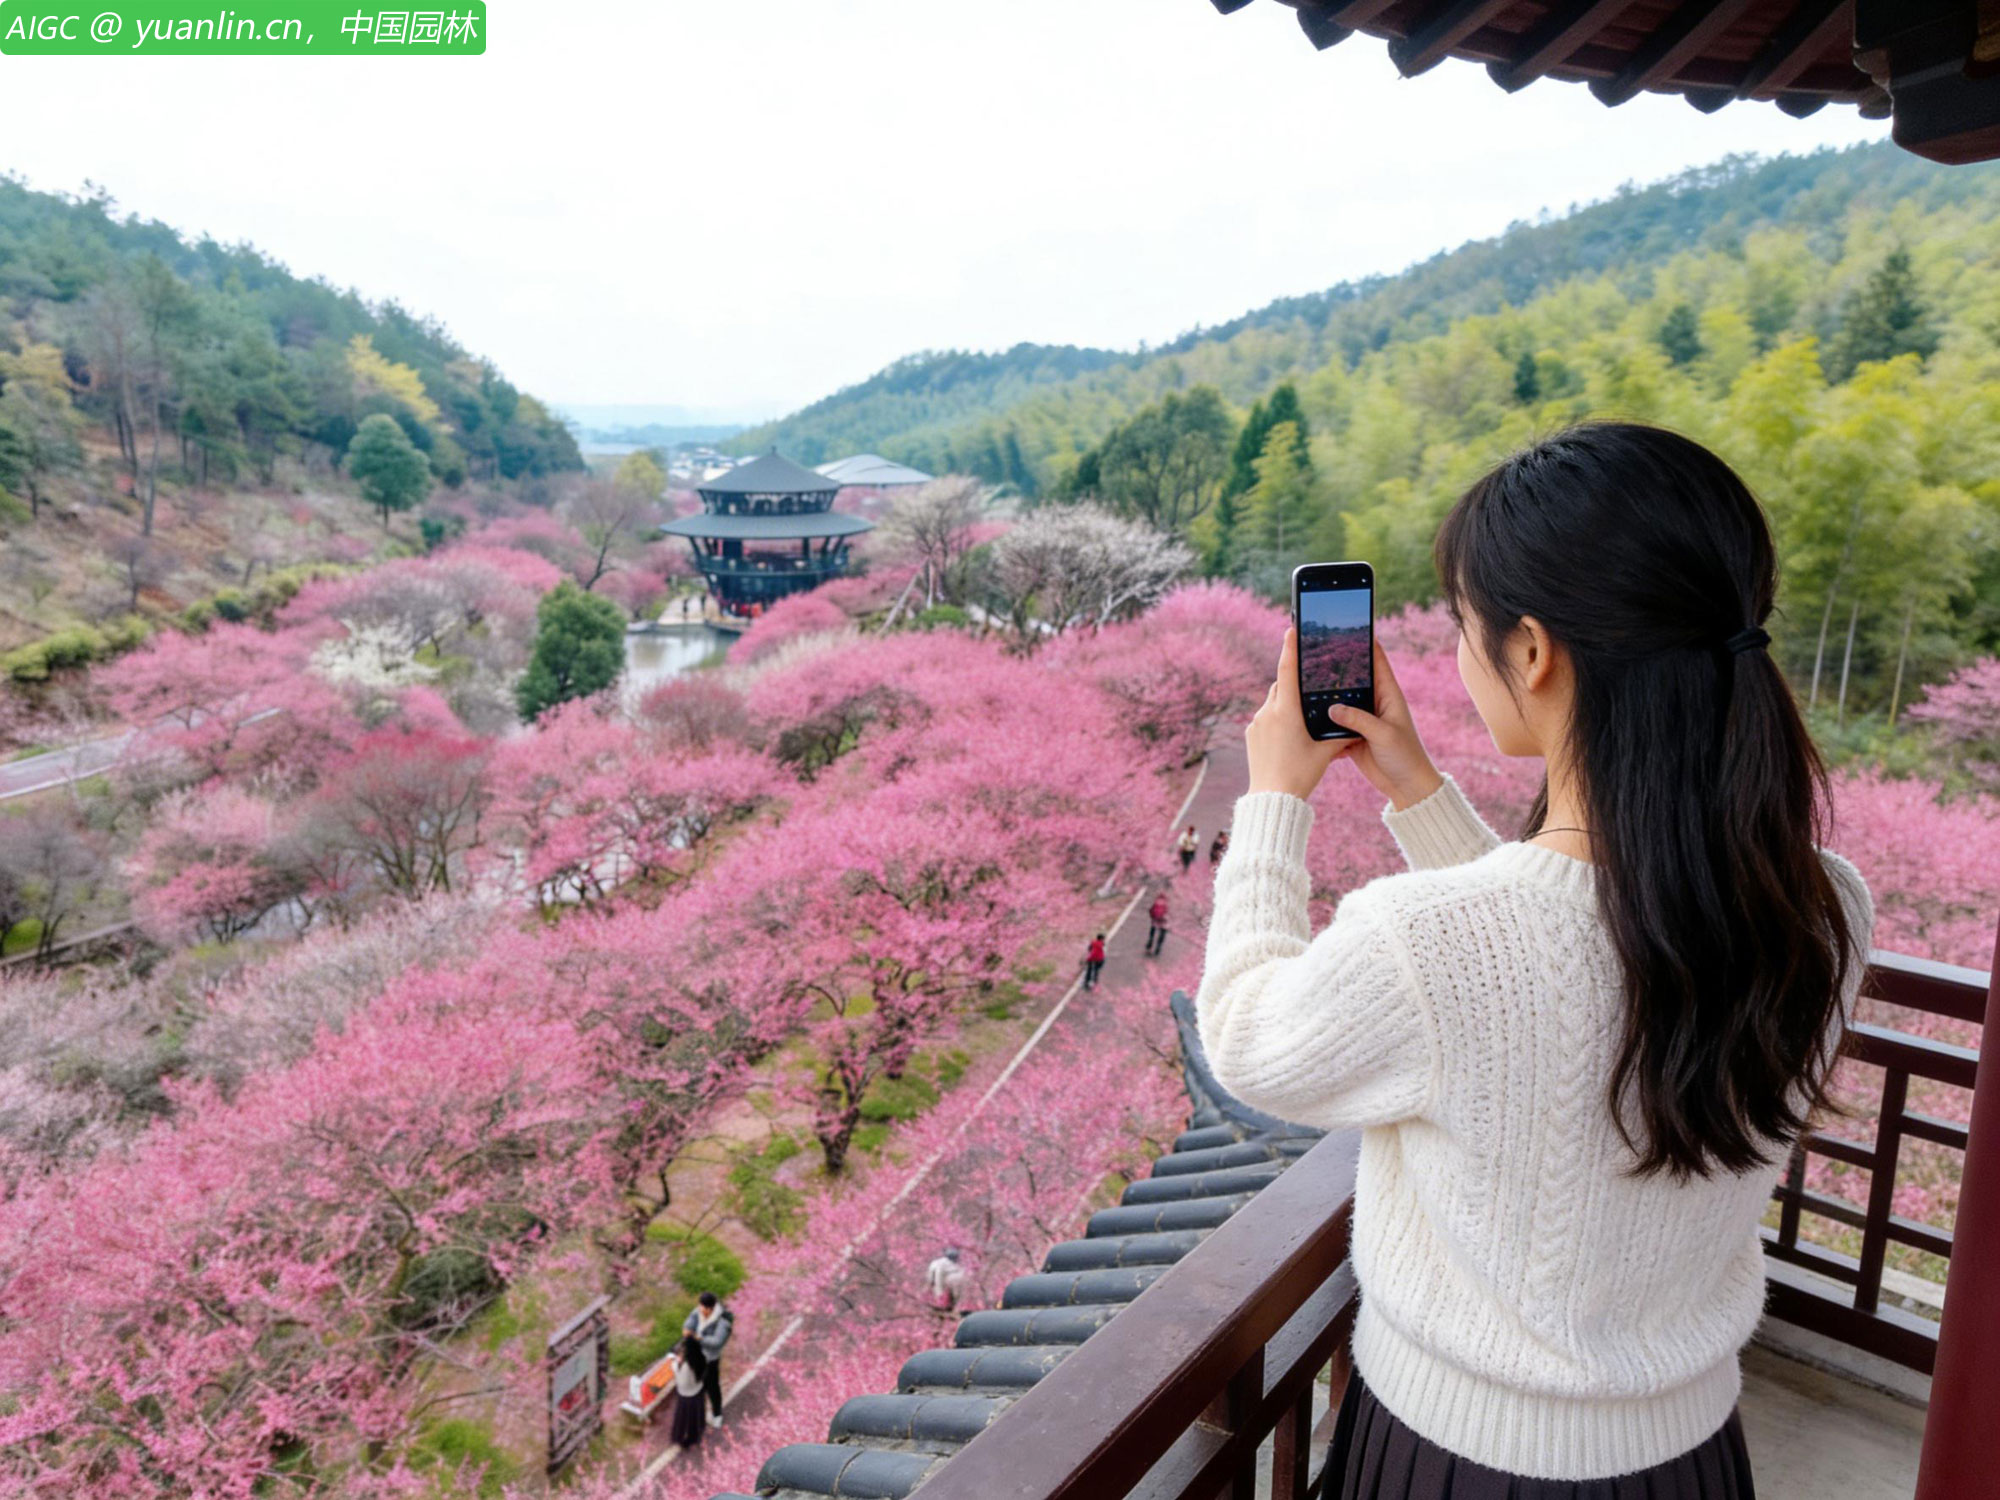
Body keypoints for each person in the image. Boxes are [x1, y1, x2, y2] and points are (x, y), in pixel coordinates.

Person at [1197, 423, 1871, 1500]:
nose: (1460, 655)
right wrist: (1414, 788)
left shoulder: (1423, 939)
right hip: (1686, 1456)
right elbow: (1569, 964)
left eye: (1465, 626)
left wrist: (1273, 798)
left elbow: (1245, 1039)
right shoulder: (1824, 905)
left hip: (1461, 1459)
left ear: (1530, 652)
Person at [682, 1292, 733, 1428]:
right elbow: (690, 1321)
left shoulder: (722, 1322)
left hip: (710, 1360)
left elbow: (717, 1342)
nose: (700, 1309)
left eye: (703, 1307)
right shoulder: (699, 1311)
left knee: (712, 1388)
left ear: (710, 1309)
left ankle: (717, 1415)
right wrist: (688, 1329)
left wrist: (699, 1338)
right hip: (697, 1357)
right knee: (696, 1386)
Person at [668, 1335, 708, 1450]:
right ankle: (698, 1431)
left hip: (687, 1396)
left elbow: (682, 1383)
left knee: (684, 1420)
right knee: (697, 1416)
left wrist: (674, 1364)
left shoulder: (685, 1367)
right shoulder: (700, 1358)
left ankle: (685, 1440)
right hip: (698, 1391)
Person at [923, 1246, 967, 1311]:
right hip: (950, 1281)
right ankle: (947, 1306)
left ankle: (944, 1306)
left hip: (946, 1281)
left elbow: (932, 1278)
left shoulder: (936, 1263)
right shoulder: (955, 1265)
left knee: (941, 1295)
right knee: (950, 1296)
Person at [1145, 891, 1169, 957]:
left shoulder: (1156, 902)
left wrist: (1152, 917)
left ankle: (1149, 945)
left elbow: (1151, 910)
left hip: (1155, 921)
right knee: (1162, 935)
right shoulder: (1166, 904)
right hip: (1163, 922)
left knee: (1152, 934)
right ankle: (1158, 947)